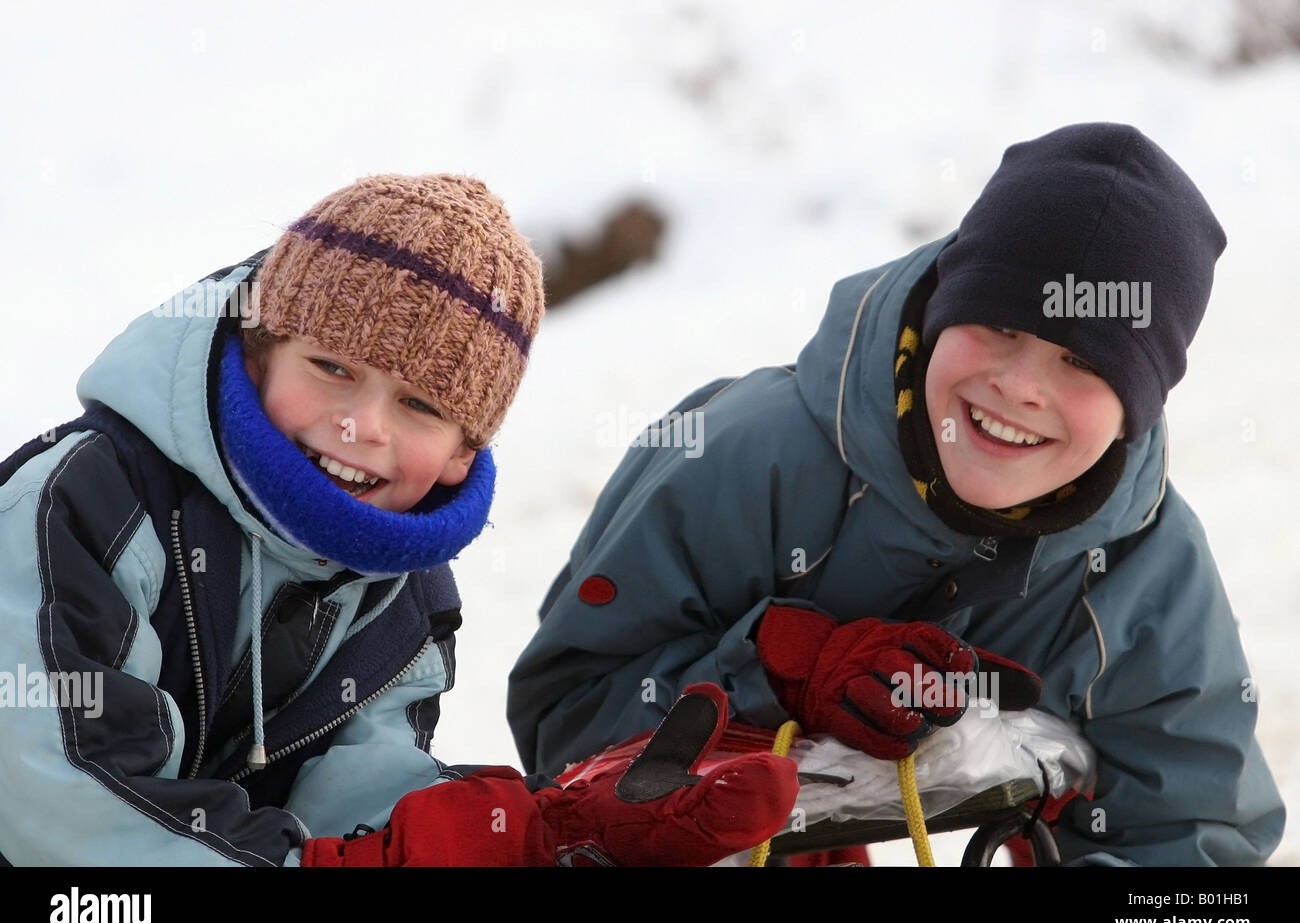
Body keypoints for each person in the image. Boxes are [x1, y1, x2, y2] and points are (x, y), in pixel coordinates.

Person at [507, 124, 1287, 866]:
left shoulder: (1145, 568)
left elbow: (1197, 848)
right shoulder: (743, 455)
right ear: (945, 305)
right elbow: (564, 733)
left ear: (1139, 404)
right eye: (1000, 325)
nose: (1018, 386)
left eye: (1082, 359)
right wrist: (775, 681)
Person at [0, 174, 796, 866]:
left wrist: (543, 832)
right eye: (333, 367)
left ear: (461, 452)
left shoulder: (402, 597)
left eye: (419, 404)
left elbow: (362, 800)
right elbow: (64, 807)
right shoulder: (80, 505)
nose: (360, 426)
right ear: (261, 349)